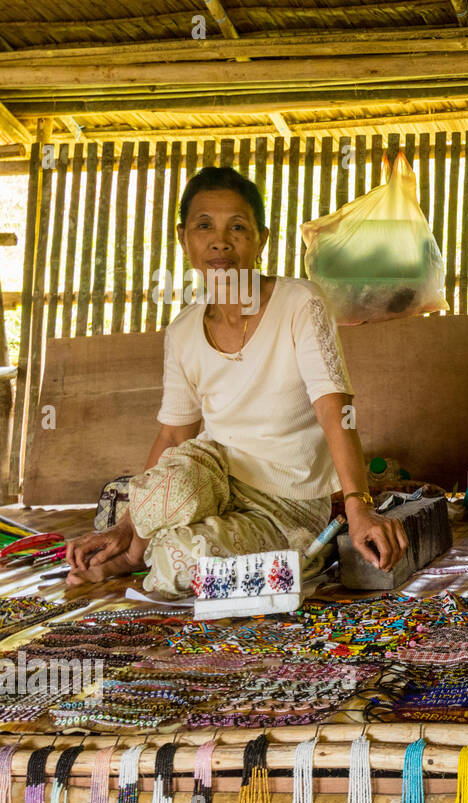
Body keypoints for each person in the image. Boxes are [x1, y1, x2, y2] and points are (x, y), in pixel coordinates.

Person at [64, 166, 408, 594]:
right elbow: (174, 434)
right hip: (213, 474)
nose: (220, 241)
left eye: (238, 227)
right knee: (175, 485)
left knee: (181, 561)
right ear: (184, 238)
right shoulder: (184, 330)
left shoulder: (300, 303)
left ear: (261, 238)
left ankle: (159, 555)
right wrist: (129, 526)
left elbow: (333, 407)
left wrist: (359, 507)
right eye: (204, 225)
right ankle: (134, 552)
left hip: (287, 503)